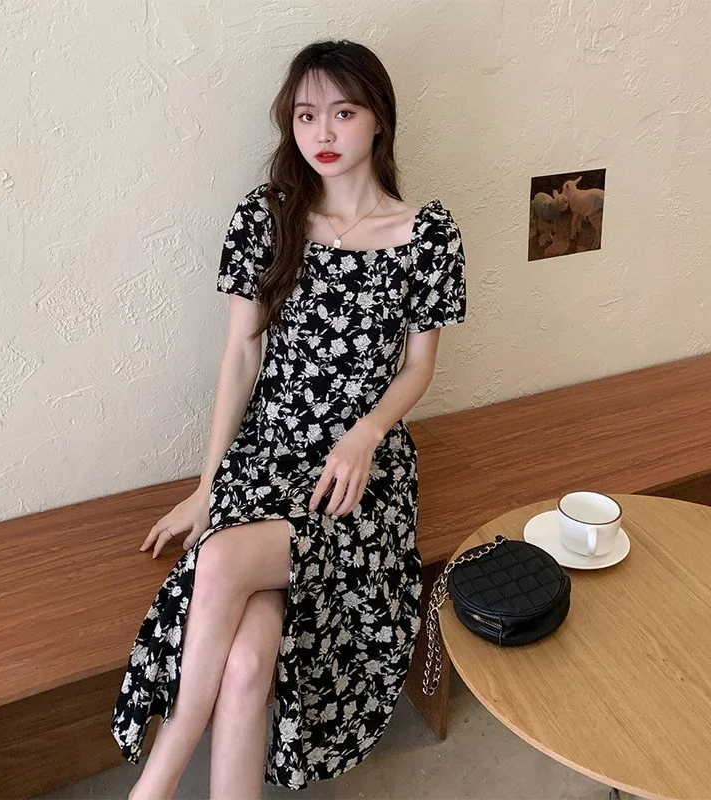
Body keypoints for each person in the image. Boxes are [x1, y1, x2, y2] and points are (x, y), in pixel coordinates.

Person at [111, 38, 467, 799]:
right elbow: (241, 357)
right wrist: (210, 487)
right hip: (266, 455)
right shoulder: (267, 217)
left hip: (359, 478)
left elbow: (419, 367)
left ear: (379, 119)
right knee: (245, 664)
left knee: (221, 564)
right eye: (306, 116)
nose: (323, 133)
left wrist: (367, 433)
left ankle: (155, 782)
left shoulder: (428, 234)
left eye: (343, 112)